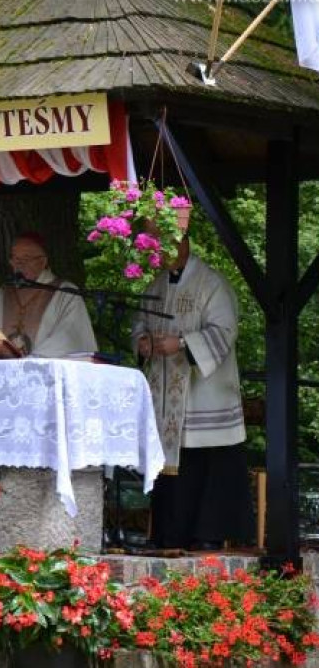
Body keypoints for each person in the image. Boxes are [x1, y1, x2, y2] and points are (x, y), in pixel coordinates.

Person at [133, 233, 253, 550]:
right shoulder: (155, 286)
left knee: (207, 465)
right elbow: (139, 324)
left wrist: (182, 344)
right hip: (165, 397)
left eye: (172, 244)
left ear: (187, 243)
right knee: (171, 468)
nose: (166, 252)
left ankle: (208, 535)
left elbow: (224, 330)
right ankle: (167, 535)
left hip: (204, 395)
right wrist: (143, 342)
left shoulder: (211, 284)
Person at [0, 232, 97, 357]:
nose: (19, 265)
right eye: (15, 259)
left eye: (25, 259)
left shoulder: (65, 293)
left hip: (44, 369)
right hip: (3, 369)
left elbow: (69, 336)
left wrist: (34, 359)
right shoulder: (3, 294)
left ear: (43, 262)